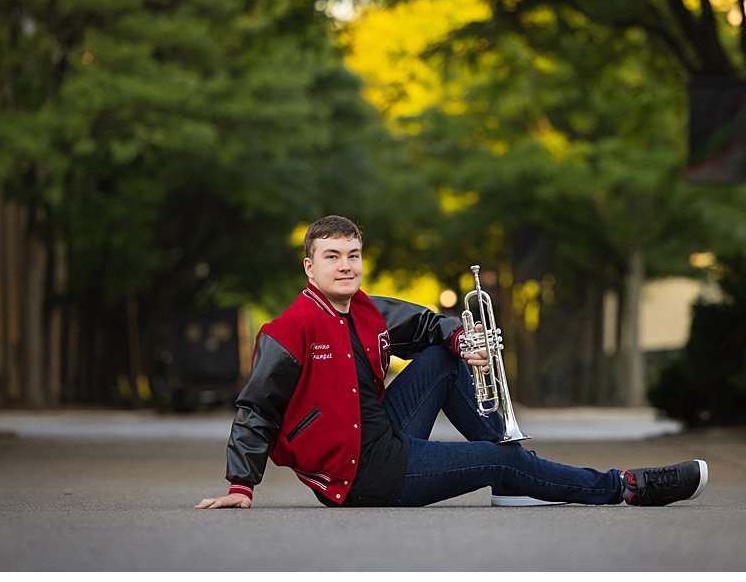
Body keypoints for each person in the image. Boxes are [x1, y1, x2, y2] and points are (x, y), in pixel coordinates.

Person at [195, 216, 707, 511]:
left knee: (443, 357)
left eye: (352, 254)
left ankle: (514, 473)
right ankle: (627, 486)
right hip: (362, 474)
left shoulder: (368, 310)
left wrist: (465, 340)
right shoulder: (286, 332)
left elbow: (427, 328)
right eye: (332, 256)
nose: (346, 264)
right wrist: (241, 485)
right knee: (501, 460)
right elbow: (255, 410)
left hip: (384, 434)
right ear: (310, 266)